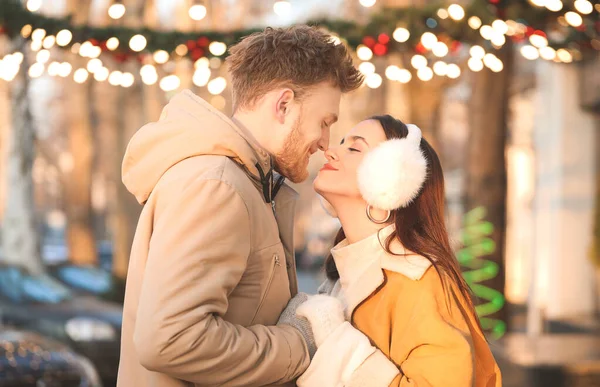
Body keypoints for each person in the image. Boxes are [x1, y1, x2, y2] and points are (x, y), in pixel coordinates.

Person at [116, 26, 363, 387]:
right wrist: (300, 342)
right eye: (324, 122)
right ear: (283, 105)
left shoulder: (246, 183)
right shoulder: (217, 184)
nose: (325, 143)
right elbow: (169, 340)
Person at [280, 115, 502, 386]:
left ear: (390, 181)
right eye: (340, 143)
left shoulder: (419, 280)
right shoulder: (342, 278)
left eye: (354, 148)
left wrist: (337, 343)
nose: (331, 151)